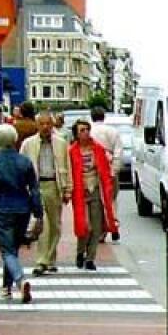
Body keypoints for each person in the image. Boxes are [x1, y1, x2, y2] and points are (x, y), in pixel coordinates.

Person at [0, 124, 41, 304]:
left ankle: (20, 280)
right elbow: (34, 189)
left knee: (7, 250)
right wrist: (37, 211)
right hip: (23, 207)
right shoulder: (25, 162)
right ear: (14, 140)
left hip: (2, 207)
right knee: (13, 248)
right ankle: (6, 287)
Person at [19, 112, 73, 276]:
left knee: (55, 225)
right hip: (36, 186)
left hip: (54, 186)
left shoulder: (61, 143)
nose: (45, 127)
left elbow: (67, 167)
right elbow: (21, 165)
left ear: (52, 125)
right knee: (43, 224)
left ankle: (50, 259)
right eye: (42, 124)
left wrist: (67, 189)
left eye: (48, 124)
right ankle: (42, 261)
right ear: (37, 125)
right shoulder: (28, 144)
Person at [68, 118, 118, 271]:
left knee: (96, 226)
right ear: (76, 134)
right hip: (80, 190)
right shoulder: (72, 151)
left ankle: (90, 258)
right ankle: (80, 252)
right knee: (84, 225)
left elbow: (105, 167)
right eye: (81, 130)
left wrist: (109, 182)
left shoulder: (97, 148)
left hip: (95, 189)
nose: (85, 133)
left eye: (87, 129)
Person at [89, 105, 122, 241]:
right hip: (108, 168)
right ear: (104, 117)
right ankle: (113, 225)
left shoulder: (89, 131)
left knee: (96, 201)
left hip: (92, 170)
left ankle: (99, 230)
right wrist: (114, 169)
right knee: (111, 199)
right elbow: (119, 152)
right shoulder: (113, 131)